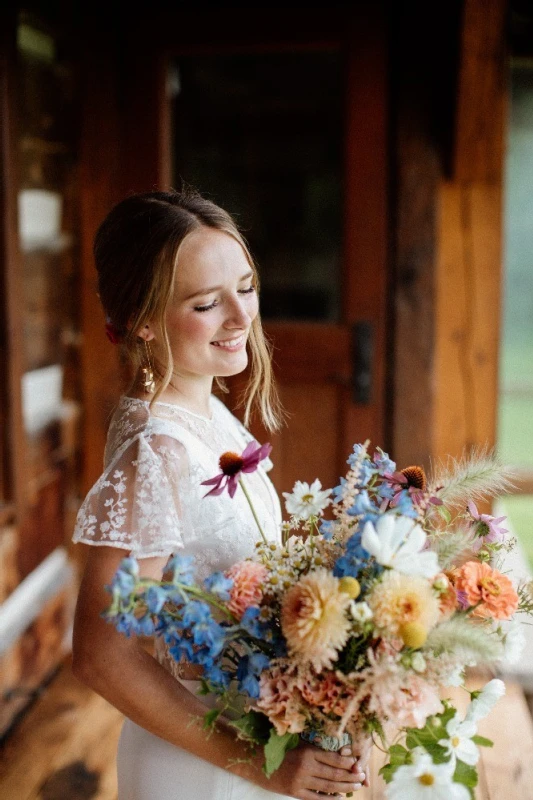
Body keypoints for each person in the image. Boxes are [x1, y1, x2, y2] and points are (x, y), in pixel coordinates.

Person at [71, 189, 368, 800]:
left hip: (256, 736)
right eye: (208, 303)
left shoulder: (206, 411)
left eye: (247, 285)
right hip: (206, 765)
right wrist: (262, 763)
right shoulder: (158, 452)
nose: (242, 316)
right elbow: (102, 654)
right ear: (144, 320)